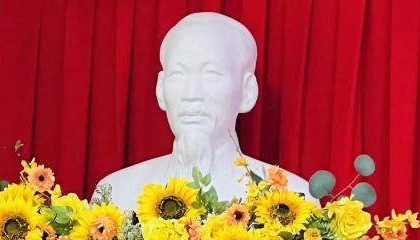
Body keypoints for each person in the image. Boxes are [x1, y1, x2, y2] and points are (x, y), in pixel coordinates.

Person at [94, 12, 312, 206]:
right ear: (161, 89)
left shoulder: (293, 201)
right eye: (178, 75)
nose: (191, 94)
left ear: (247, 92)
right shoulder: (116, 193)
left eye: (212, 75)